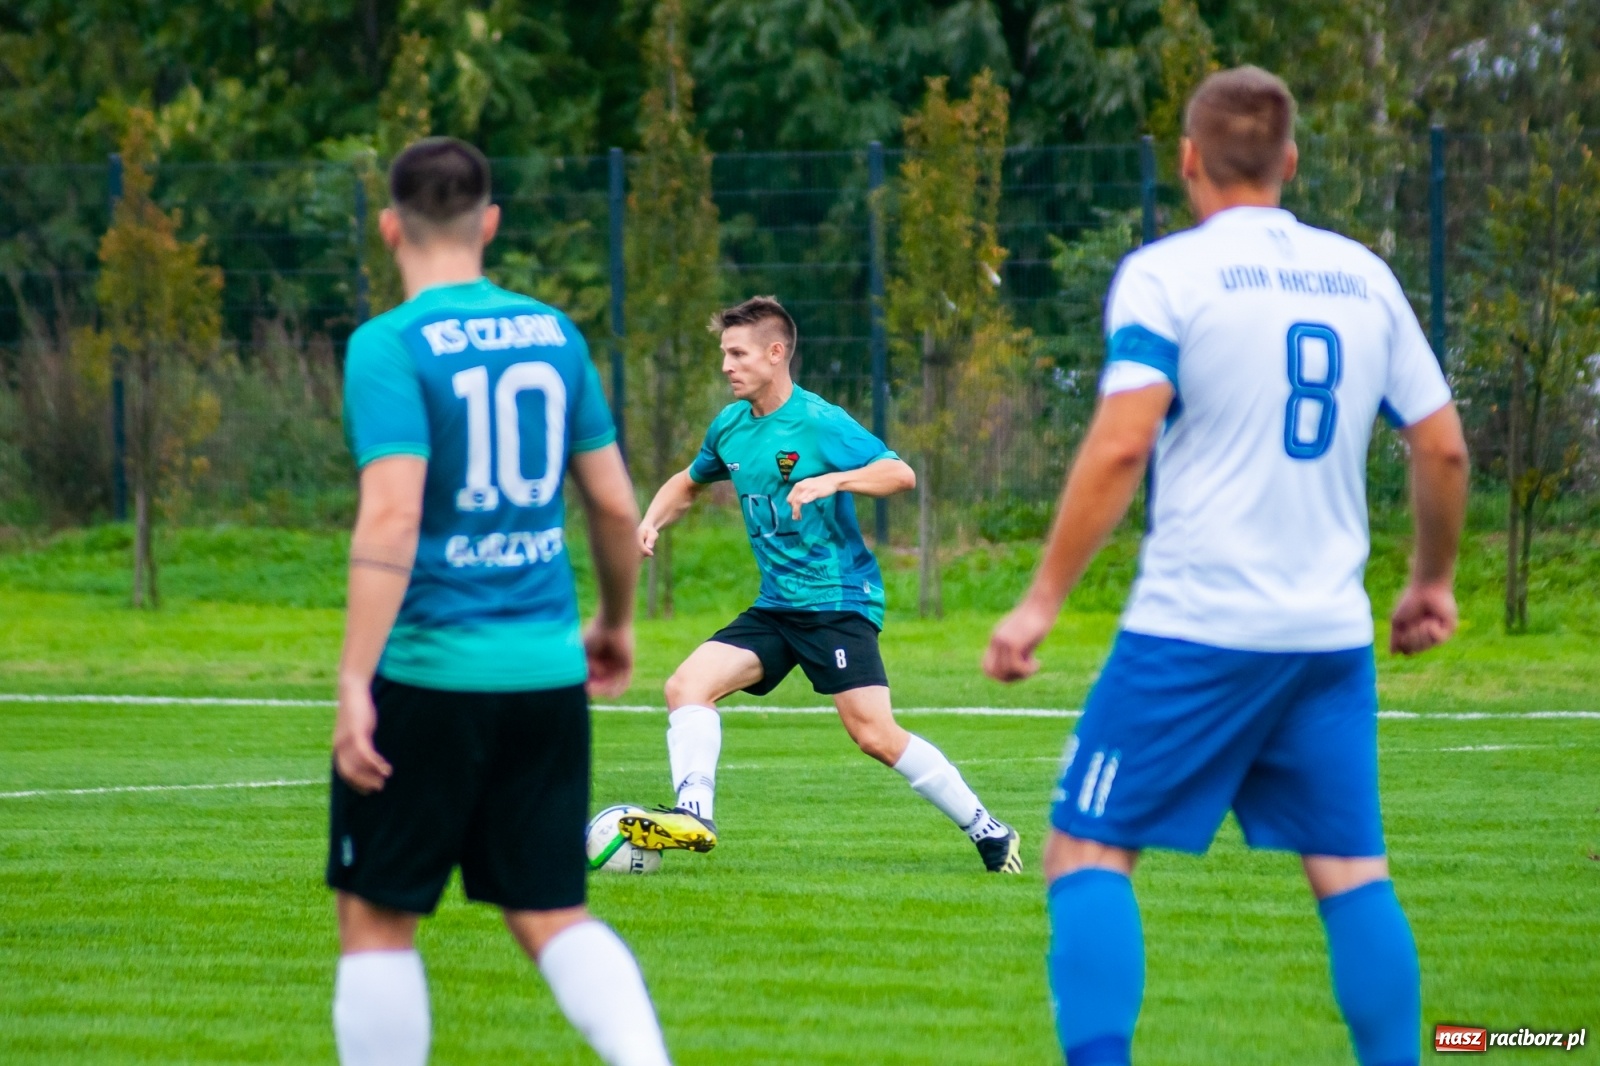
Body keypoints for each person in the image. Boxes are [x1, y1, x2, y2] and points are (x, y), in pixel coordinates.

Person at [984, 68, 1468, 1066]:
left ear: (1189, 161)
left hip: (1195, 625)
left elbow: (1121, 444)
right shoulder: (1364, 275)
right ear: (1290, 161)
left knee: (1086, 848)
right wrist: (1430, 580)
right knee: (1348, 871)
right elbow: (1442, 446)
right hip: (1327, 637)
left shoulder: (1169, 273)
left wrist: (1039, 602)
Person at [327, 137, 673, 1066]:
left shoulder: (388, 346)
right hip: (545, 673)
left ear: (390, 227)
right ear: (489, 223)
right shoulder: (555, 334)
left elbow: (393, 514)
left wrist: (356, 678)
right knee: (552, 913)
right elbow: (610, 499)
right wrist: (614, 621)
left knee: (377, 919)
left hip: (430, 671)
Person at [620, 296, 1022, 874]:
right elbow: (688, 481)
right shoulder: (729, 427)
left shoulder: (818, 420)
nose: (727, 365)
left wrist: (834, 480)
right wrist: (651, 519)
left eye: (738, 353)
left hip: (836, 602)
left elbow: (899, 473)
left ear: (776, 353)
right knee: (687, 686)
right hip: (778, 606)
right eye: (724, 354)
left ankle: (989, 829)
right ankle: (695, 816)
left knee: (874, 734)